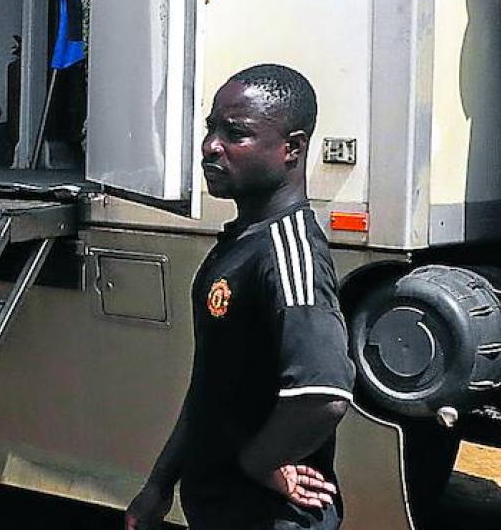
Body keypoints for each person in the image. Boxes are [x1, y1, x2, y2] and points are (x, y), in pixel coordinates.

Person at [127, 66, 354, 530]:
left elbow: (322, 393)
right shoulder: (241, 242)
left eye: (236, 134)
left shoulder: (290, 252)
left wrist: (258, 463)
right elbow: (211, 386)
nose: (212, 145)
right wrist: (159, 484)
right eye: (211, 128)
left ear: (291, 148)